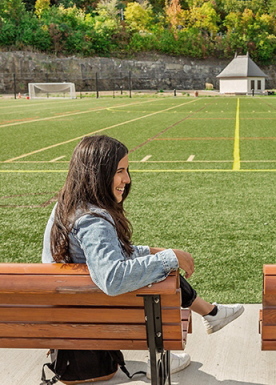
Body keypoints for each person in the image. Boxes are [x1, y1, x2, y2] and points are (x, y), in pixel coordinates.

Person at [42, 135, 244, 375]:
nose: (127, 179)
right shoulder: (93, 220)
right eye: (120, 171)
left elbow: (106, 259)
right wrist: (168, 258)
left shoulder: (66, 205)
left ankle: (211, 313)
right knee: (161, 279)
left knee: (156, 265)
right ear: (97, 173)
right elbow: (112, 278)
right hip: (94, 319)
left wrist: (155, 252)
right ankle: (163, 354)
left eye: (126, 170)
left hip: (68, 312)